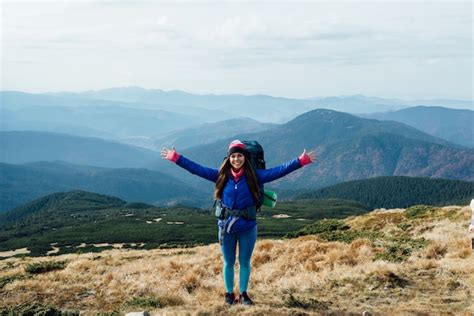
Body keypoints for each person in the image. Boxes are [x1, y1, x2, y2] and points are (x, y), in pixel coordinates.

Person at [161, 140, 316, 305]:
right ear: (228, 158)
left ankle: (243, 294)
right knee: (228, 262)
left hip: (248, 227)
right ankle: (229, 294)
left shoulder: (255, 175)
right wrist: (176, 158)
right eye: (233, 156)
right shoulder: (221, 175)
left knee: (244, 262)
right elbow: (196, 169)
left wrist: (300, 161)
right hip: (225, 227)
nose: (236, 159)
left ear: (245, 157)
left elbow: (279, 171)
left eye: (239, 156)